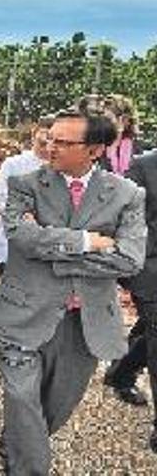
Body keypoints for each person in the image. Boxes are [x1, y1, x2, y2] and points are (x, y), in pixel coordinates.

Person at [0, 109, 146, 474]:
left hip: (85, 324)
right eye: (50, 137)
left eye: (62, 141)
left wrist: (52, 250)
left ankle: (16, 443)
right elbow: (20, 236)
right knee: (22, 399)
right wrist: (87, 242)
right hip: (20, 317)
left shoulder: (127, 195)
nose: (49, 145)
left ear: (94, 150)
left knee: (54, 409)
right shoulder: (25, 184)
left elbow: (130, 261)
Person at [102, 150, 157, 424]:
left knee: (150, 332)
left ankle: (122, 371)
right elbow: (123, 223)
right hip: (152, 270)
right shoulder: (144, 166)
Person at [0, 115, 53, 275]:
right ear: (34, 134)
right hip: (7, 243)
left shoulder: (62, 168)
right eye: (42, 142)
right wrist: (21, 215)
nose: (46, 147)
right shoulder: (14, 164)